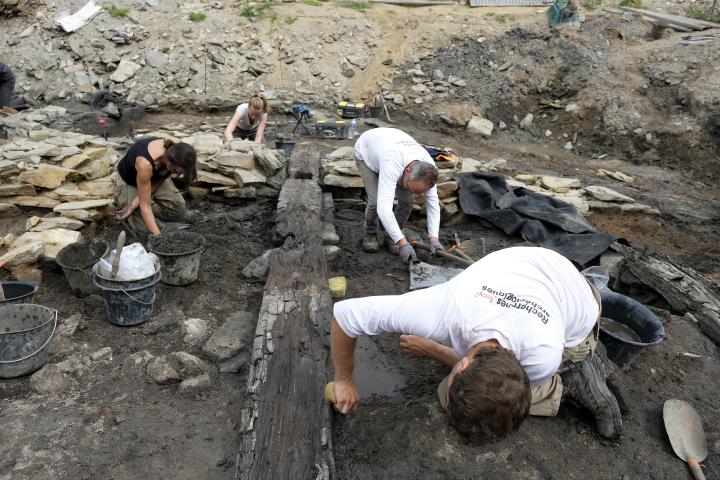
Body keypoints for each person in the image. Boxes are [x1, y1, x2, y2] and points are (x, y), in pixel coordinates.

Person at [329, 246, 622, 442]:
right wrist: (342, 380)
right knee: (455, 398)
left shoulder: (543, 356)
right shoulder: (439, 311)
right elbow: (345, 315)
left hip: (577, 312)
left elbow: (509, 390)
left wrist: (432, 350)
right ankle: (574, 374)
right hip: (536, 268)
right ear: (465, 362)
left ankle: (573, 377)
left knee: (463, 398)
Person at [354, 127, 443, 262]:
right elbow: (384, 208)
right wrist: (403, 243)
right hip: (366, 151)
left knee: (408, 201)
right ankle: (370, 233)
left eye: (419, 192)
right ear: (407, 171)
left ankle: (392, 237)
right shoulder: (392, 162)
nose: (415, 193)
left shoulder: (428, 171)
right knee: (375, 201)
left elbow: (433, 205)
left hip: (390, 145)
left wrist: (434, 238)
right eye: (413, 189)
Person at [114, 137, 197, 237]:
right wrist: (158, 236)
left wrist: (134, 204)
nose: (179, 175)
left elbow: (157, 182)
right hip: (130, 179)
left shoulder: (174, 153)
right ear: (170, 164)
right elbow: (145, 205)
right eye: (178, 172)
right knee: (144, 230)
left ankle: (154, 219)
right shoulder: (145, 163)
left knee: (179, 213)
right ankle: (159, 225)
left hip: (151, 178)